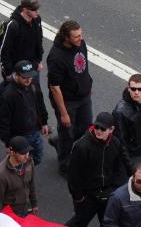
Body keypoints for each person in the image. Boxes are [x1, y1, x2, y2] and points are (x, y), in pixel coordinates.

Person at [47, 19, 93, 174]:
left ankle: (58, 141)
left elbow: (84, 67)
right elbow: (55, 87)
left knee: (85, 128)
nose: (81, 38)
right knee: (68, 133)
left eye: (81, 34)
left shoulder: (81, 44)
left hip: (84, 96)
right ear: (66, 37)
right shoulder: (56, 57)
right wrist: (64, 113)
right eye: (76, 36)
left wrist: (87, 85)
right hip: (68, 102)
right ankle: (64, 165)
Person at [66, 112, 125, 227]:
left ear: (111, 129)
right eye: (96, 126)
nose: (98, 130)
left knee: (108, 224)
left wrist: (114, 189)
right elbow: (73, 175)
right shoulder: (82, 147)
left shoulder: (115, 143)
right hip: (88, 197)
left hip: (107, 194)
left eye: (103, 128)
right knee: (78, 222)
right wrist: (78, 197)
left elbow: (118, 168)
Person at [0, 60, 49, 166]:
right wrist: (8, 143)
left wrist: (44, 122)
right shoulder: (8, 95)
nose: (28, 79)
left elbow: (40, 103)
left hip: (35, 130)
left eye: (30, 76)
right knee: (20, 163)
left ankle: (27, 172)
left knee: (37, 157)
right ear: (16, 75)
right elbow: (3, 121)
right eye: (25, 77)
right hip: (20, 136)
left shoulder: (34, 84)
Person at [0, 0, 44, 82]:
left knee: (34, 94)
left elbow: (39, 40)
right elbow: (3, 51)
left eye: (37, 8)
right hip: (18, 72)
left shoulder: (37, 20)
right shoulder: (13, 25)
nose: (37, 12)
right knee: (15, 94)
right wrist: (8, 73)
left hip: (33, 67)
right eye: (34, 9)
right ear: (25, 9)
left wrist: (39, 60)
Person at [0, 135, 38, 216]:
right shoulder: (0, 175)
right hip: (10, 215)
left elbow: (31, 184)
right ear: (12, 152)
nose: (27, 155)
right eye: (22, 153)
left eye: (28, 151)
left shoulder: (29, 162)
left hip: (26, 210)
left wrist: (34, 204)